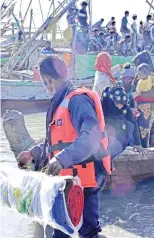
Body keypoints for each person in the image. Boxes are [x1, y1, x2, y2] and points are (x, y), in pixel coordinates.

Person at [16, 56, 111, 238]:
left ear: (47, 79)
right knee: (61, 230)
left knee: (87, 232)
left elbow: (91, 137)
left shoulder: (77, 101)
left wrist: (62, 158)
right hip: (67, 182)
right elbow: (57, 144)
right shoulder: (61, 102)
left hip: (85, 180)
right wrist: (34, 153)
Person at [101, 86, 146, 158]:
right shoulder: (105, 106)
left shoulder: (125, 108)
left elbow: (133, 122)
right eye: (117, 104)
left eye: (122, 104)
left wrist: (137, 143)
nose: (119, 107)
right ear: (112, 101)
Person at [134, 63, 154, 147]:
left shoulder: (153, 80)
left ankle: (145, 147)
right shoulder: (138, 80)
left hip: (149, 108)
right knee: (139, 128)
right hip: (139, 109)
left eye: (140, 73)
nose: (138, 75)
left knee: (145, 129)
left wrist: (141, 96)